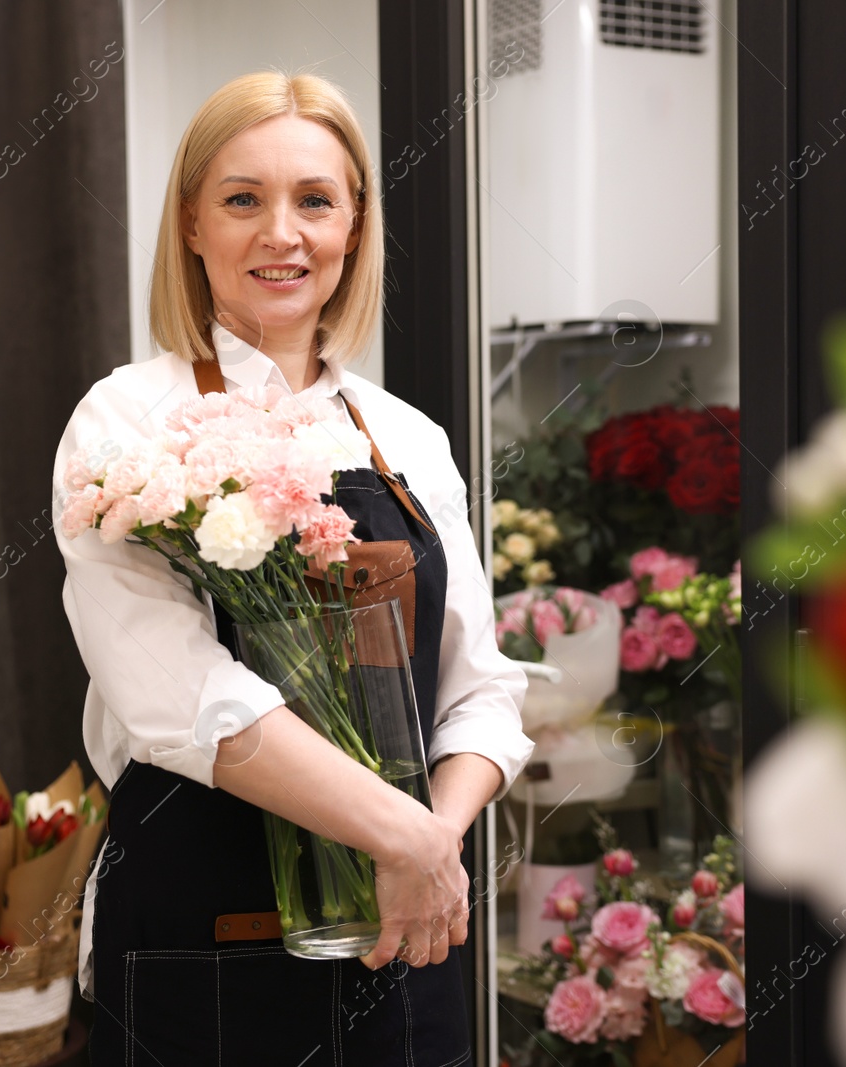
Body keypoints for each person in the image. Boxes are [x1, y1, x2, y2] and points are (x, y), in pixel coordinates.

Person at [52, 69, 533, 1065]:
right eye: (243, 199)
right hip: (208, 931)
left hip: (405, 930)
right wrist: (405, 839)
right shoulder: (126, 420)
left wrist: (430, 843)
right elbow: (175, 698)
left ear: (354, 225)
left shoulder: (407, 437)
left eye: (314, 199)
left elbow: (482, 691)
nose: (283, 232)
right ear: (191, 224)